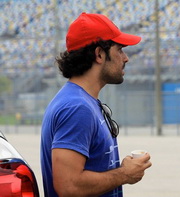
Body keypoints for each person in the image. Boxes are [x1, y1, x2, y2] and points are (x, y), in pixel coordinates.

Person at [40, 12, 152, 197]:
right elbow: (68, 186)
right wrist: (125, 174)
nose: (125, 58)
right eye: (120, 50)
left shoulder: (82, 101)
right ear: (99, 54)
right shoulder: (77, 107)